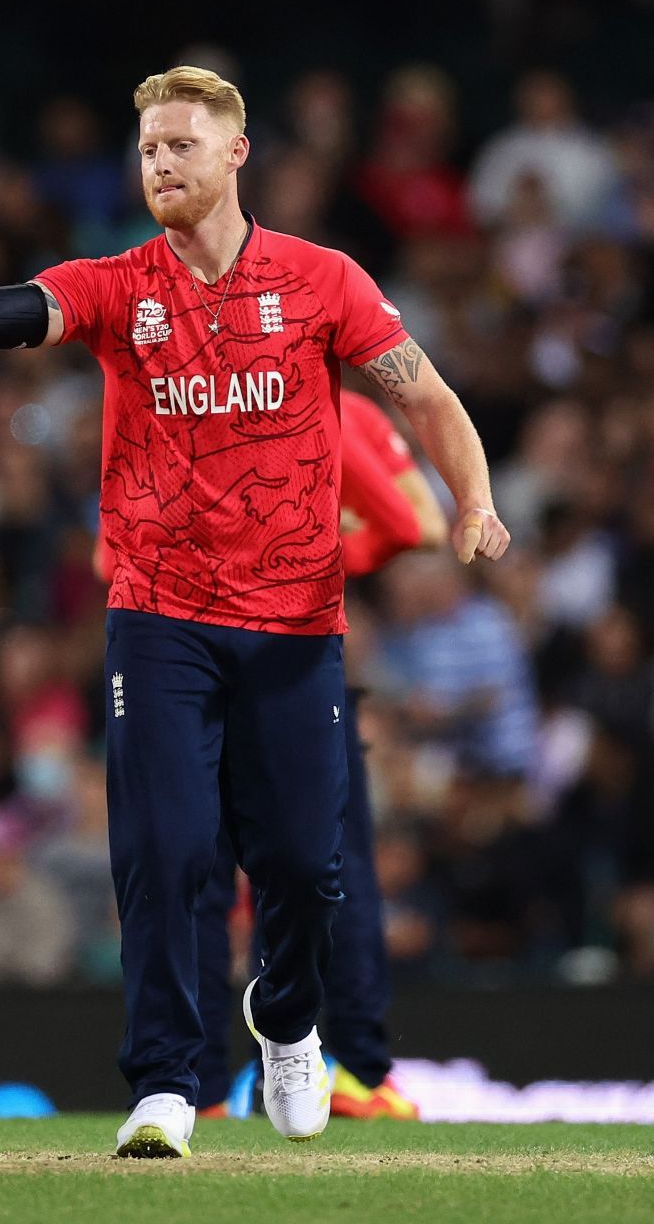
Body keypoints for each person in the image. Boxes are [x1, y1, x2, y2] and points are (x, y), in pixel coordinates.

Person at [0, 65, 509, 1156]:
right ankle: (165, 1080)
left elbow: (426, 395)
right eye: (148, 148)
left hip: (297, 623)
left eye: (180, 146)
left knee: (305, 861)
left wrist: (474, 499)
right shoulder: (119, 286)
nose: (159, 164)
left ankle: (289, 1020)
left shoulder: (321, 281)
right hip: (160, 614)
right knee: (165, 849)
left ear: (235, 153)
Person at [194, 390, 446, 1123]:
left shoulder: (339, 412)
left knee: (303, 868)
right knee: (218, 872)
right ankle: (212, 1083)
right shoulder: (197, 398)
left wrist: (294, 551)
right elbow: (111, 548)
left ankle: (342, 1069)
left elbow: (422, 524)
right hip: (227, 665)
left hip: (276, 662)